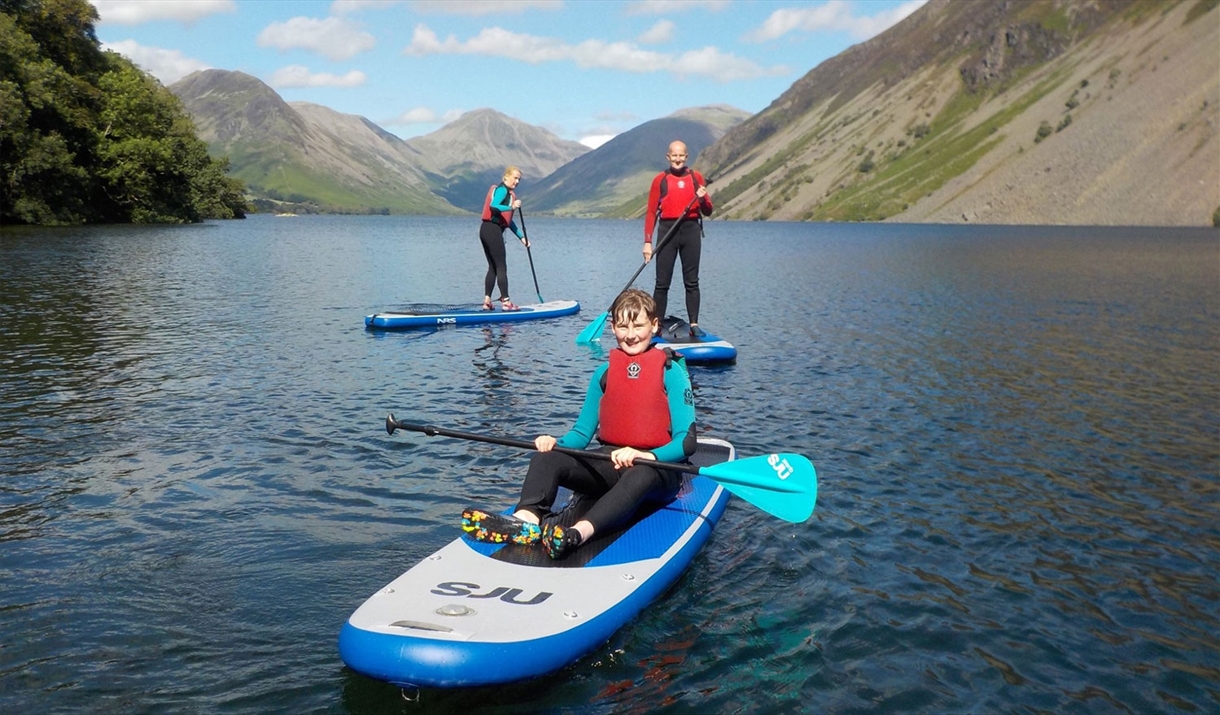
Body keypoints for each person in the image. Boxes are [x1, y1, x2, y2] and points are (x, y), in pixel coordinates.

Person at [462, 289, 697, 559]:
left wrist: (645, 455)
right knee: (548, 458)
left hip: (657, 470)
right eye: (622, 326)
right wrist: (555, 443)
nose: (630, 334)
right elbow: (581, 433)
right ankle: (526, 520)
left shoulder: (672, 372)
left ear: (654, 325)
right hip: (611, 465)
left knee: (639, 473)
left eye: (638, 326)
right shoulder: (604, 373)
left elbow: (686, 442)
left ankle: (577, 533)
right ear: (612, 327)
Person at [643, 141, 713, 337]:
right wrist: (647, 242)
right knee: (662, 283)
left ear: (686, 156)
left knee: (691, 281)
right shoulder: (660, 180)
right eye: (674, 155)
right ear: (668, 157)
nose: (677, 159)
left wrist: (702, 197)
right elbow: (650, 212)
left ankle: (694, 324)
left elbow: (708, 210)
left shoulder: (695, 177)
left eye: (681, 155)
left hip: (690, 231)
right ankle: (656, 325)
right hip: (667, 230)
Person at [479, 166, 529, 311]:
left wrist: (522, 238)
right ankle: (506, 302)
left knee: (493, 267)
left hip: (485, 230)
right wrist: (512, 206)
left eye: (519, 179)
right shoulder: (502, 190)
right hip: (492, 230)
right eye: (515, 178)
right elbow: (494, 206)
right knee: (501, 266)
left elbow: (507, 221)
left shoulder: (507, 193)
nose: (517, 181)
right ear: (506, 177)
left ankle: (487, 301)